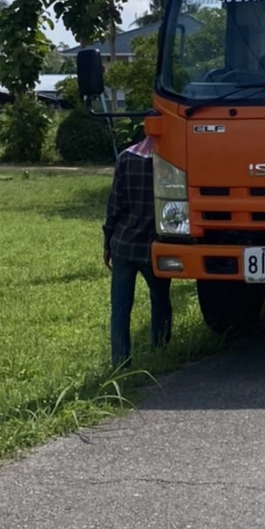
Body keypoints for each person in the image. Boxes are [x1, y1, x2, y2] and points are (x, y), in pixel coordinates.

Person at [103, 135, 172, 366]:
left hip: (123, 244)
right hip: (154, 247)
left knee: (120, 308)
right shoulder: (171, 161)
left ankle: (120, 361)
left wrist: (107, 242)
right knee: (161, 300)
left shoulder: (125, 157)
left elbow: (115, 204)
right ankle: (160, 352)